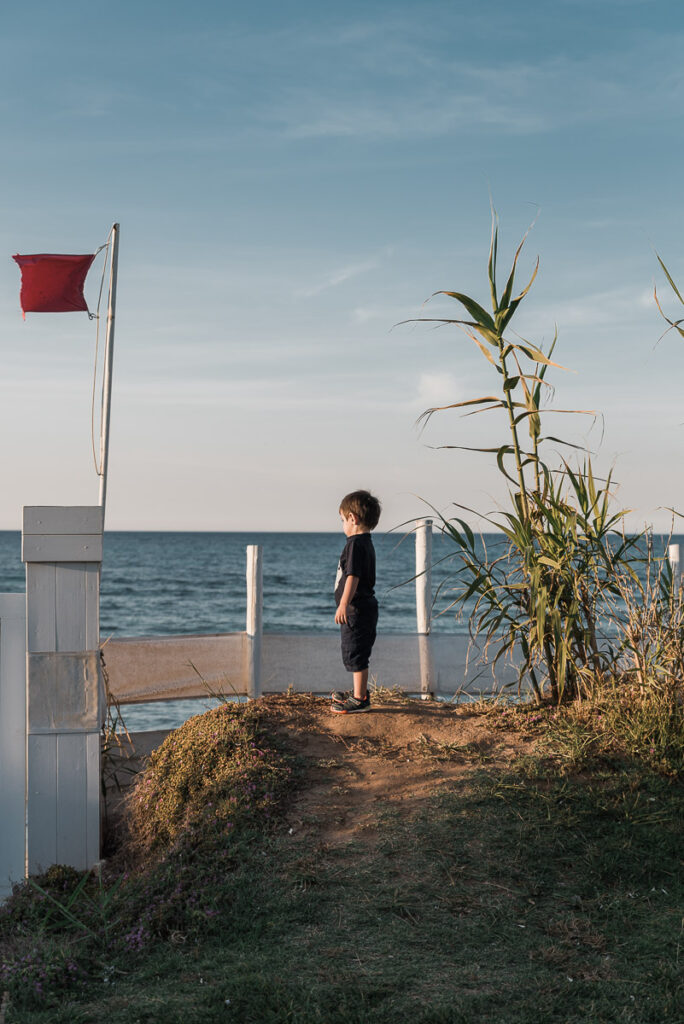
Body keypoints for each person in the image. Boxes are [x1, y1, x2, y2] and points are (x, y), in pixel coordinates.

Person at [331, 489, 381, 714]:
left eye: (343, 520)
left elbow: (353, 576)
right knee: (357, 651)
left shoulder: (355, 544)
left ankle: (360, 698)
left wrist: (343, 604)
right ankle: (357, 692)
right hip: (363, 607)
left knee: (356, 652)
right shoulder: (365, 543)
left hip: (357, 608)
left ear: (353, 518)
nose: (342, 525)